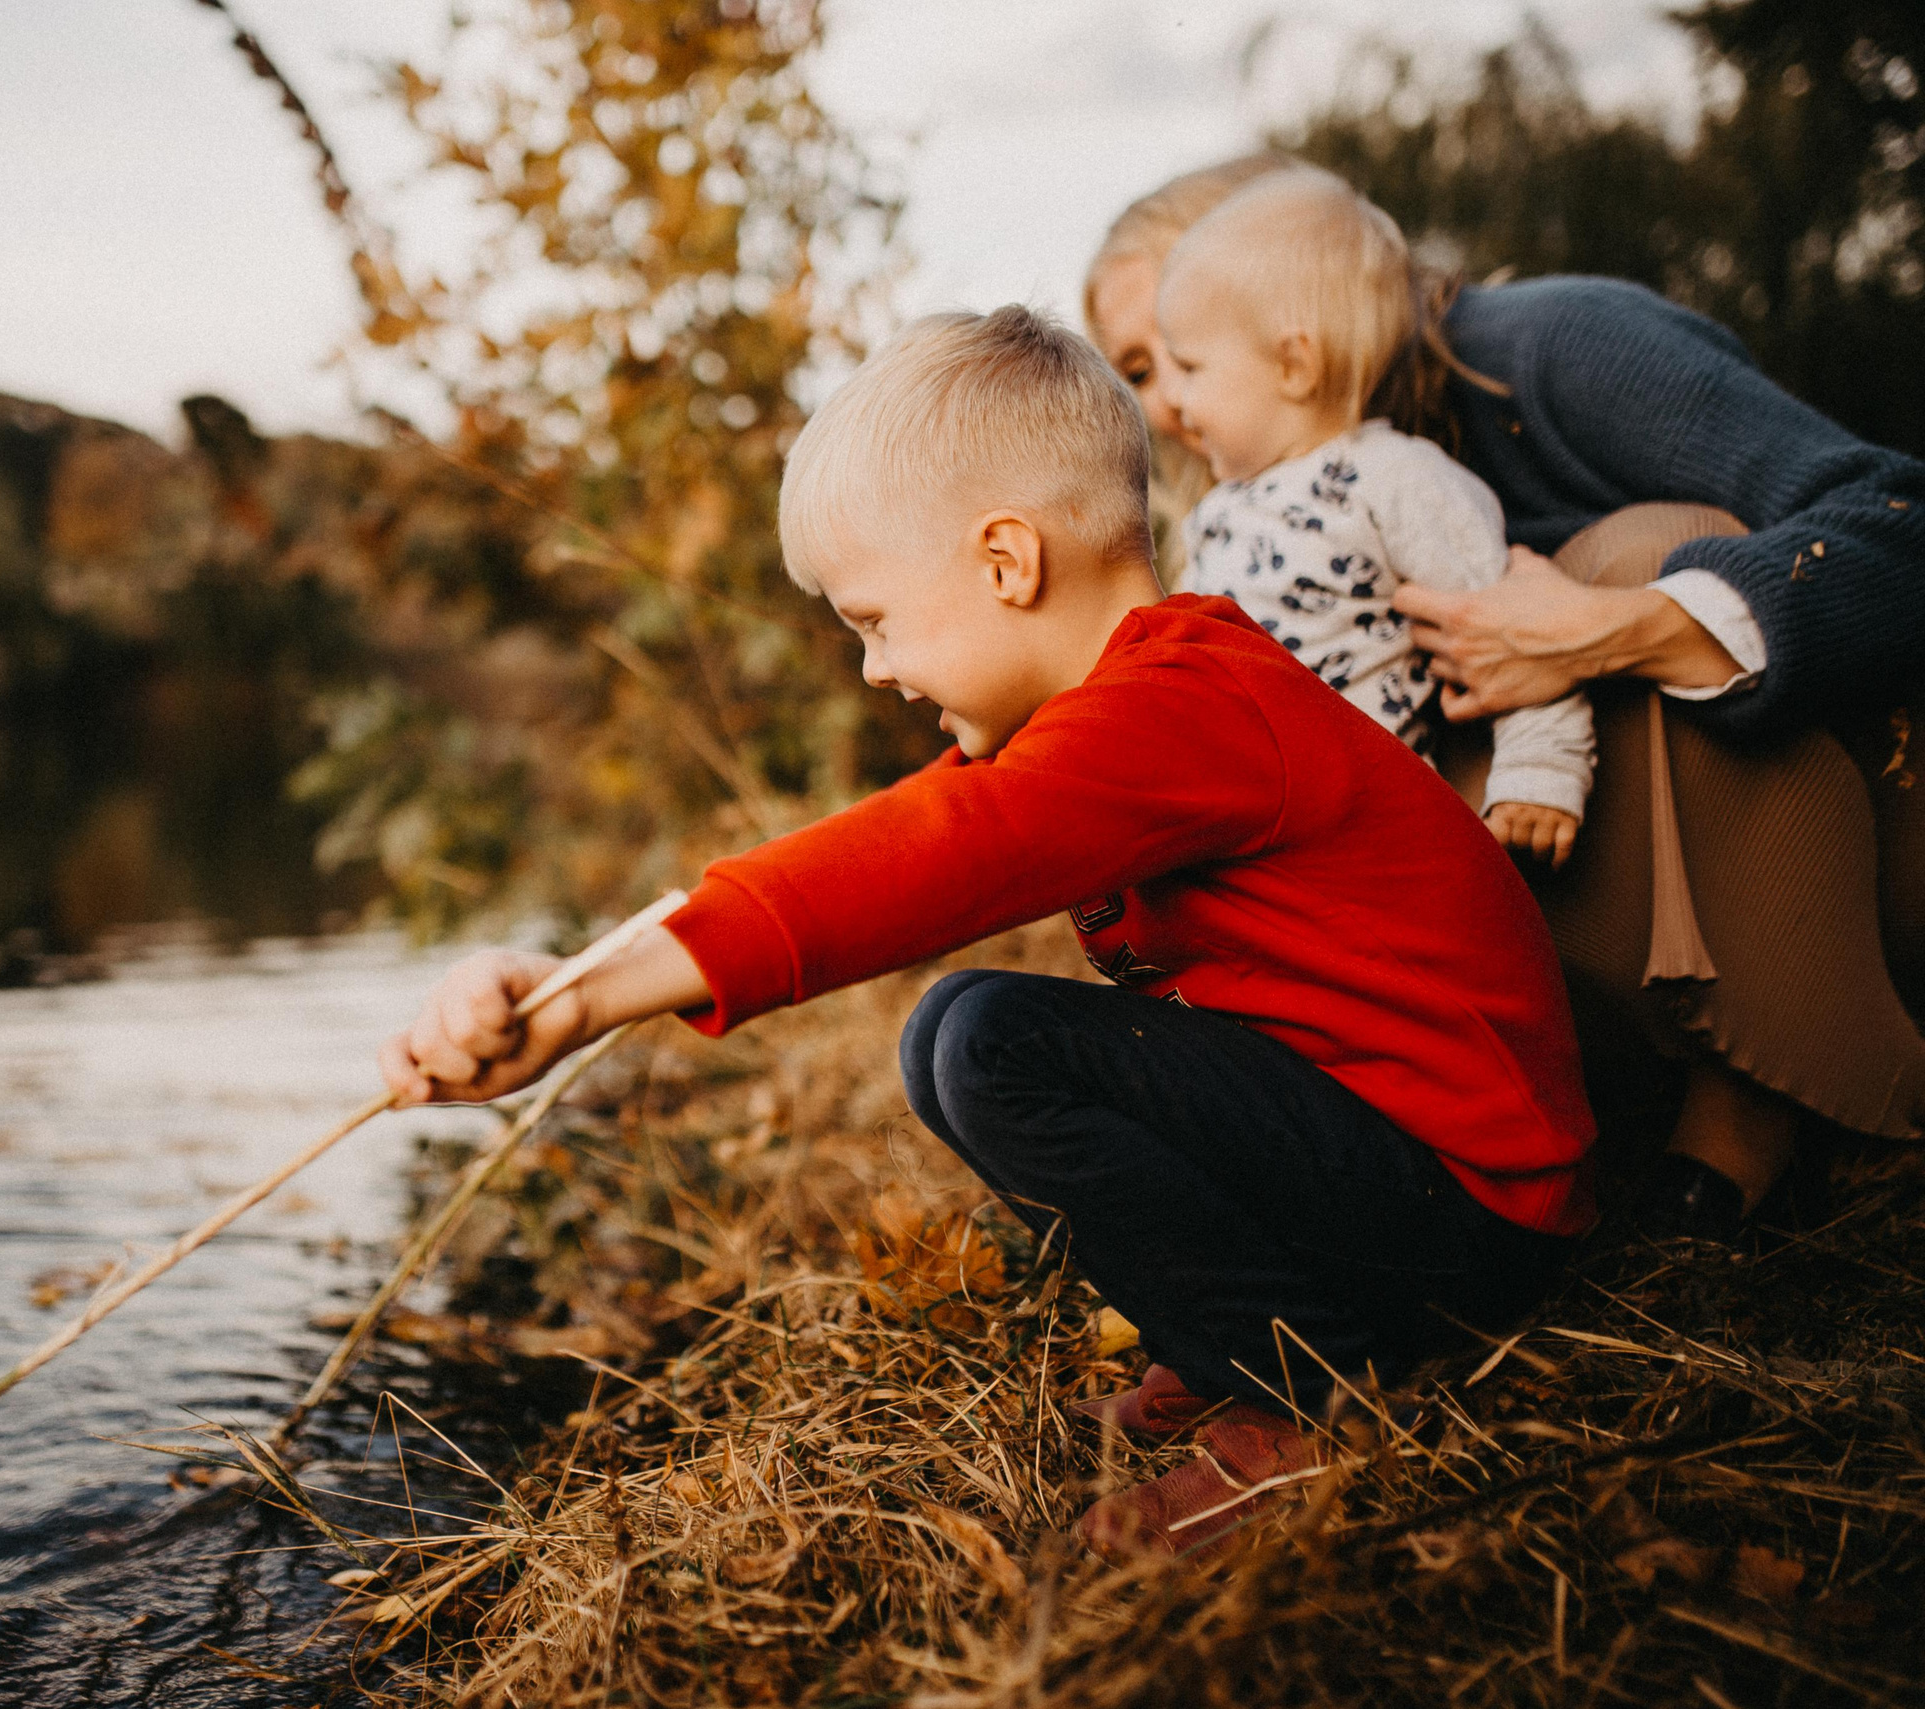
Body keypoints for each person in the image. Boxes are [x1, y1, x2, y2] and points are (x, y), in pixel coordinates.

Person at [380, 306, 1594, 1559]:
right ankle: (1239, 1338)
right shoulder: (1142, 701)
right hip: (1388, 1165)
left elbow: (943, 850)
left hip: (1470, 1204)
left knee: (985, 1037)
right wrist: (586, 965)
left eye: (876, 621)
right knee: (957, 1041)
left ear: (1008, 561)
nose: (873, 670)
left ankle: (1297, 1402)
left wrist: (588, 1003)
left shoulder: (1179, 705)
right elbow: (909, 831)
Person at [1087, 156, 1925, 1243]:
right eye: (1140, 375)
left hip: (1860, 828)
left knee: (1636, 552)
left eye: (1172, 354)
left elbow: (1897, 516)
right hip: (1606, 865)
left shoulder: (1551, 343)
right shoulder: (1270, 508)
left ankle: (1761, 1092)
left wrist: (1619, 626)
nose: (1166, 408)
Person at [1157, 170, 1593, 867]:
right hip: (1244, 843)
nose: (1174, 400)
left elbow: (1515, 634)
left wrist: (1541, 770)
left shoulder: (1395, 479)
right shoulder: (1219, 509)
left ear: (1294, 365)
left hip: (1364, 848)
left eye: (1191, 366)